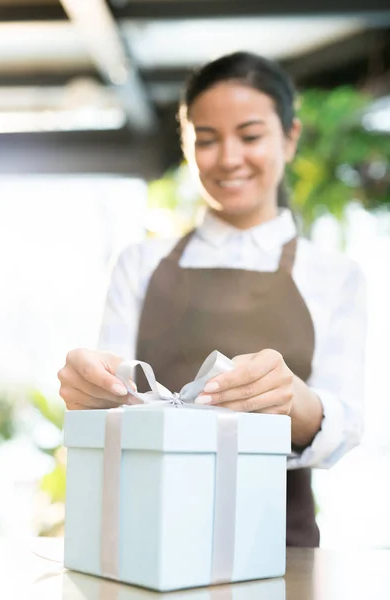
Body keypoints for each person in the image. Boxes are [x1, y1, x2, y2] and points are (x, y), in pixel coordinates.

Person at [58, 51, 366, 547]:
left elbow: (345, 429)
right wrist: (89, 392)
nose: (228, 158)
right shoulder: (139, 263)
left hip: (277, 543)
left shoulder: (334, 275)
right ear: (186, 145)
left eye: (250, 136)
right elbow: (112, 401)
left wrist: (294, 401)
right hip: (145, 537)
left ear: (289, 138)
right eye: (206, 139)